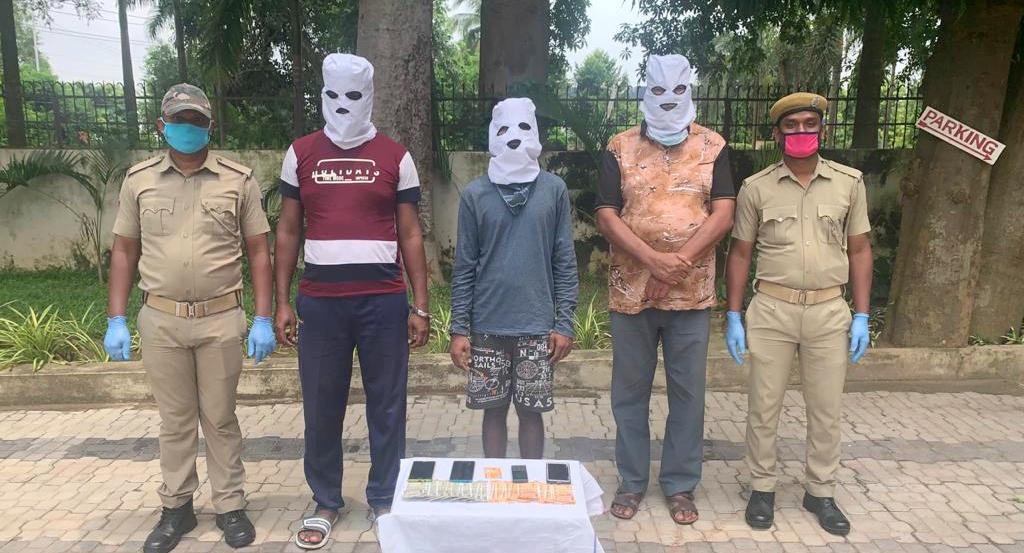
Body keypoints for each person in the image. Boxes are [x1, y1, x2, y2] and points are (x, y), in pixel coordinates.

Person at [104, 83, 275, 553]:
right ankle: (177, 507)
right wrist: (116, 317)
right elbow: (124, 250)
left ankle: (230, 505)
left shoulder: (237, 180)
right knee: (175, 420)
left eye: (197, 120)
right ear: (162, 125)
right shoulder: (139, 181)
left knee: (220, 418)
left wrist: (263, 317)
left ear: (210, 126)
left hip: (220, 317)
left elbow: (260, 252)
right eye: (179, 120)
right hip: (161, 319)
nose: (188, 127)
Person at [273, 53, 430, 549]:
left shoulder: (396, 157)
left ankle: (384, 498)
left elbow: (410, 233)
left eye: (354, 95)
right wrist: (282, 301)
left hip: (383, 302)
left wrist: (420, 305)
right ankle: (325, 501)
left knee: (387, 406)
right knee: (322, 405)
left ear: (370, 96)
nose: (343, 105)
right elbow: (288, 230)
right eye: (334, 95)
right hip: (321, 304)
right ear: (322, 95)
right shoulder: (300, 153)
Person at [595, 54, 736, 525]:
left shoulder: (713, 146)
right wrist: (652, 259)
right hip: (631, 294)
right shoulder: (619, 147)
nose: (668, 99)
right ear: (644, 92)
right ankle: (632, 481)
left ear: (690, 90)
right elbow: (606, 214)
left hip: (691, 295)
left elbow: (723, 212)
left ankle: (679, 484)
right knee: (629, 393)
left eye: (677, 90)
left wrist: (681, 261)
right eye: (658, 90)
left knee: (688, 394)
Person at [725, 92, 872, 536]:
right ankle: (762, 488)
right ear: (777, 134)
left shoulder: (849, 183)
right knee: (763, 405)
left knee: (826, 408)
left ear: (823, 129)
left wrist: (862, 315)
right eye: (791, 126)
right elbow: (739, 253)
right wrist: (733, 314)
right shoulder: (756, 188)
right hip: (772, 310)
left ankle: (820, 491)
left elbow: (860, 249)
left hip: (828, 311)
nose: (801, 132)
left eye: (810, 124)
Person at [449, 97, 579, 459]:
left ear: (534, 132)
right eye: (505, 129)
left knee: (531, 411)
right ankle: (495, 482)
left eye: (523, 127)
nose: (514, 137)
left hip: (537, 325)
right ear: (493, 134)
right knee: (492, 411)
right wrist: (459, 329)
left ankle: (530, 484)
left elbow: (564, 260)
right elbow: (464, 266)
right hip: (487, 324)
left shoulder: (553, 190)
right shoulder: (475, 195)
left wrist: (564, 323)